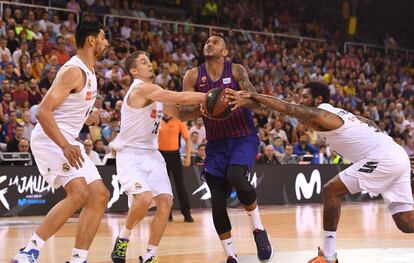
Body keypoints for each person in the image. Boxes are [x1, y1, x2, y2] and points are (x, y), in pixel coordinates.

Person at [226, 81, 414, 263]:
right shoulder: (339, 113)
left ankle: (329, 256)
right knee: (406, 223)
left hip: (384, 158)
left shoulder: (322, 114)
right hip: (394, 154)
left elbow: (287, 108)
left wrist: (253, 95)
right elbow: (370, 122)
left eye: (305, 97)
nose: (300, 102)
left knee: (331, 190)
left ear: (317, 99)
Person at [11, 21, 110, 263]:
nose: (107, 43)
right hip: (50, 138)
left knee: (99, 195)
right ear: (91, 40)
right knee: (78, 193)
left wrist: (88, 117)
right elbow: (43, 112)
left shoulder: (90, 72)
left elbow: (67, 110)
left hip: (67, 138)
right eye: (104, 37)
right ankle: (29, 251)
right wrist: (65, 146)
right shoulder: (73, 71)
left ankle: (78, 258)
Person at [182, 35, 273, 263]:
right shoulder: (192, 76)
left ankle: (259, 230)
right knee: (217, 200)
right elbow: (184, 110)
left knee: (236, 175)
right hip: (215, 143)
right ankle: (231, 256)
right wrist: (204, 107)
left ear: (225, 51)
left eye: (215, 42)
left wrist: (244, 101)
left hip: (243, 137)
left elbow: (258, 105)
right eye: (206, 42)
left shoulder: (236, 71)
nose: (209, 43)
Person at [110, 51, 205, 263]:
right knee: (144, 198)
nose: (149, 64)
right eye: (143, 62)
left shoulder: (157, 92)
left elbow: (181, 114)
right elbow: (181, 97)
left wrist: (205, 110)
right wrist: (211, 95)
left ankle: (150, 254)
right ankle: (123, 238)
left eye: (148, 60)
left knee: (165, 202)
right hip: (130, 154)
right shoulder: (141, 89)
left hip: (152, 154)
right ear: (134, 70)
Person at [158, 113, 194, 222]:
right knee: (164, 187)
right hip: (160, 156)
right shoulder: (157, 120)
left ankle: (187, 213)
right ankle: (167, 214)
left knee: (180, 186)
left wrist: (188, 157)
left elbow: (187, 139)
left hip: (175, 156)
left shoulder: (178, 120)